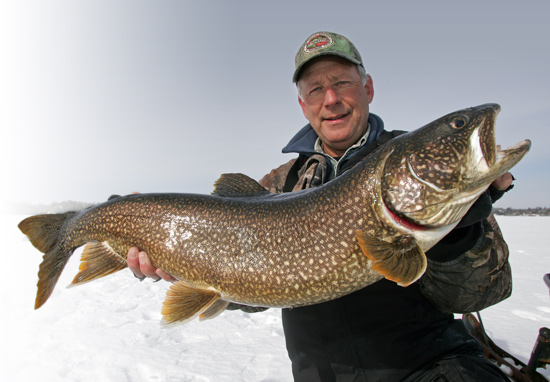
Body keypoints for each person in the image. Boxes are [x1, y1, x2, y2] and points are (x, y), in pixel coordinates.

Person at [128, 32, 515, 381]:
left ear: (368, 88)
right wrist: (185, 267)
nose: (331, 99)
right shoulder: (280, 184)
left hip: (428, 370)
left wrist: (458, 237)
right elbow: (250, 298)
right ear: (303, 105)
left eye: (342, 82)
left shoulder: (403, 166)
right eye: (315, 89)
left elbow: (483, 294)